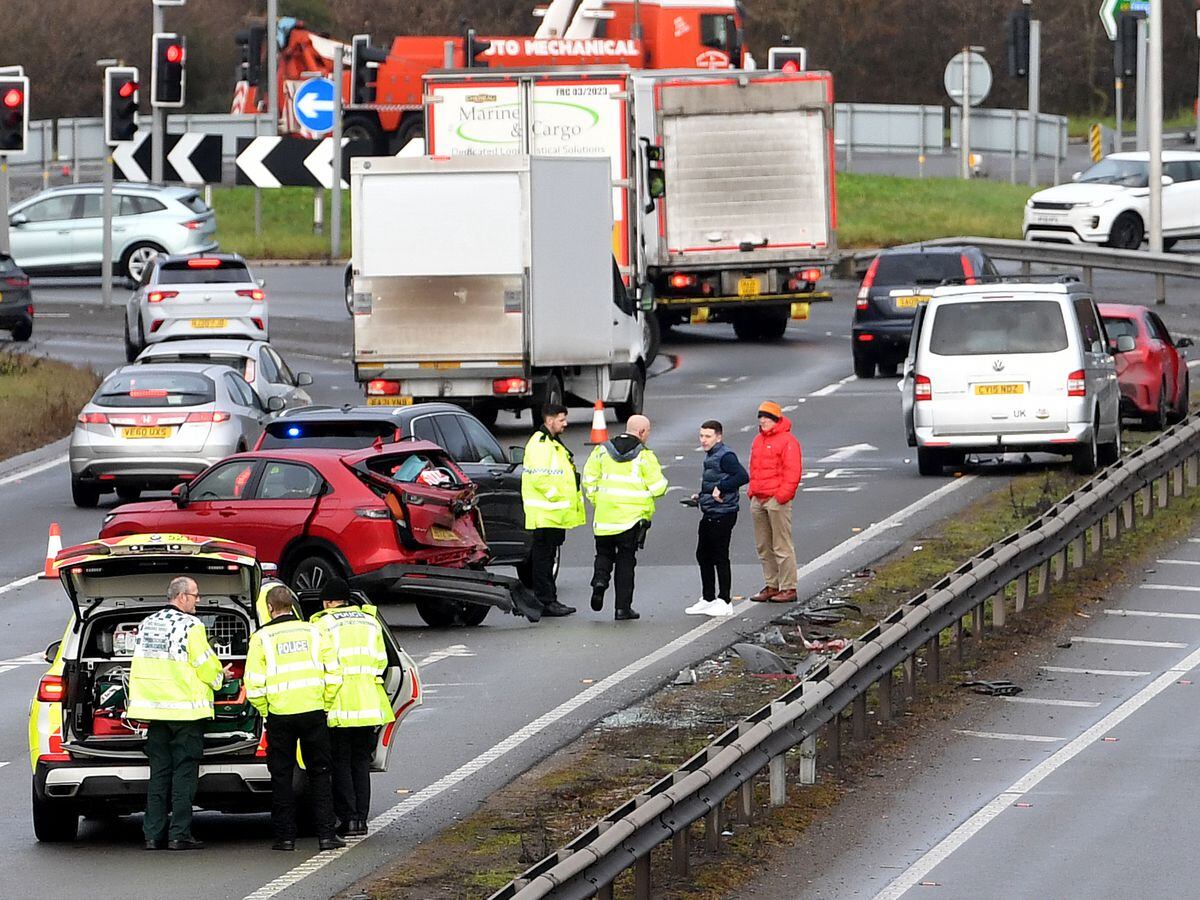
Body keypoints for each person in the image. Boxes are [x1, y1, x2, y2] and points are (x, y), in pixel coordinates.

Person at [128, 576, 231, 851]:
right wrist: (221, 677)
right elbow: (204, 665)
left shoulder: (148, 623)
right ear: (182, 596)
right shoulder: (191, 626)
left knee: (159, 774)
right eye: (196, 595)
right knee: (184, 775)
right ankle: (179, 834)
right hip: (185, 713)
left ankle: (152, 835)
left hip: (155, 712)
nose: (198, 600)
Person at [245, 585, 346, 853]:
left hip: (280, 715)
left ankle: (285, 838)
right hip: (313, 712)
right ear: (292, 606)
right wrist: (324, 704)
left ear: (269, 608)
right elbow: (335, 674)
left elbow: (253, 685)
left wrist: (267, 710)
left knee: (281, 776)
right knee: (320, 773)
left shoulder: (261, 638)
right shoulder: (314, 631)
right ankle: (326, 835)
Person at [311, 577, 395, 839]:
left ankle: (347, 819)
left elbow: (320, 665)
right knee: (361, 761)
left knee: (341, 763)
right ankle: (361, 820)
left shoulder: (322, 624)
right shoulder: (370, 621)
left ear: (327, 601)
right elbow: (382, 661)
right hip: (370, 702)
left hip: (339, 703)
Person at [583, 414, 668, 621]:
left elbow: (588, 479)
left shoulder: (601, 450)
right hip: (631, 519)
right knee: (625, 561)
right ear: (641, 432)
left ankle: (599, 582)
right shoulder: (644, 456)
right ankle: (622, 609)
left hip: (604, 516)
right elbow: (658, 488)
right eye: (647, 432)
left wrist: (598, 499)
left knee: (603, 554)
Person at [521, 402, 586, 617]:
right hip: (545, 512)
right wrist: (556, 497)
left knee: (548, 558)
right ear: (549, 420)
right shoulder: (540, 444)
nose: (565, 423)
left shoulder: (551, 442)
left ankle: (549, 599)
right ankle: (546, 601)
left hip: (553, 512)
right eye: (561, 419)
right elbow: (538, 477)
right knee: (543, 559)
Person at [685, 420, 749, 617]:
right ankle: (708, 598)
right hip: (710, 511)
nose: (703, 440)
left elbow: (742, 476)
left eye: (708, 436)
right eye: (701, 436)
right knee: (703, 554)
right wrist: (701, 495)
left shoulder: (725, 455)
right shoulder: (712, 455)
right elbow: (713, 482)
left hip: (724, 512)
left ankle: (724, 600)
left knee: (719, 555)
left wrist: (721, 488)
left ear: (718, 437)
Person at [747, 401, 803, 603]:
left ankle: (788, 587)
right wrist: (752, 492)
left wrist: (781, 496)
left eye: (767, 417)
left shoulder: (787, 441)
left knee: (781, 545)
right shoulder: (758, 440)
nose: (763, 421)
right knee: (763, 545)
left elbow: (793, 471)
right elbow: (754, 468)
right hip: (759, 497)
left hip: (776, 499)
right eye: (761, 417)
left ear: (776, 420)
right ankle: (772, 584)